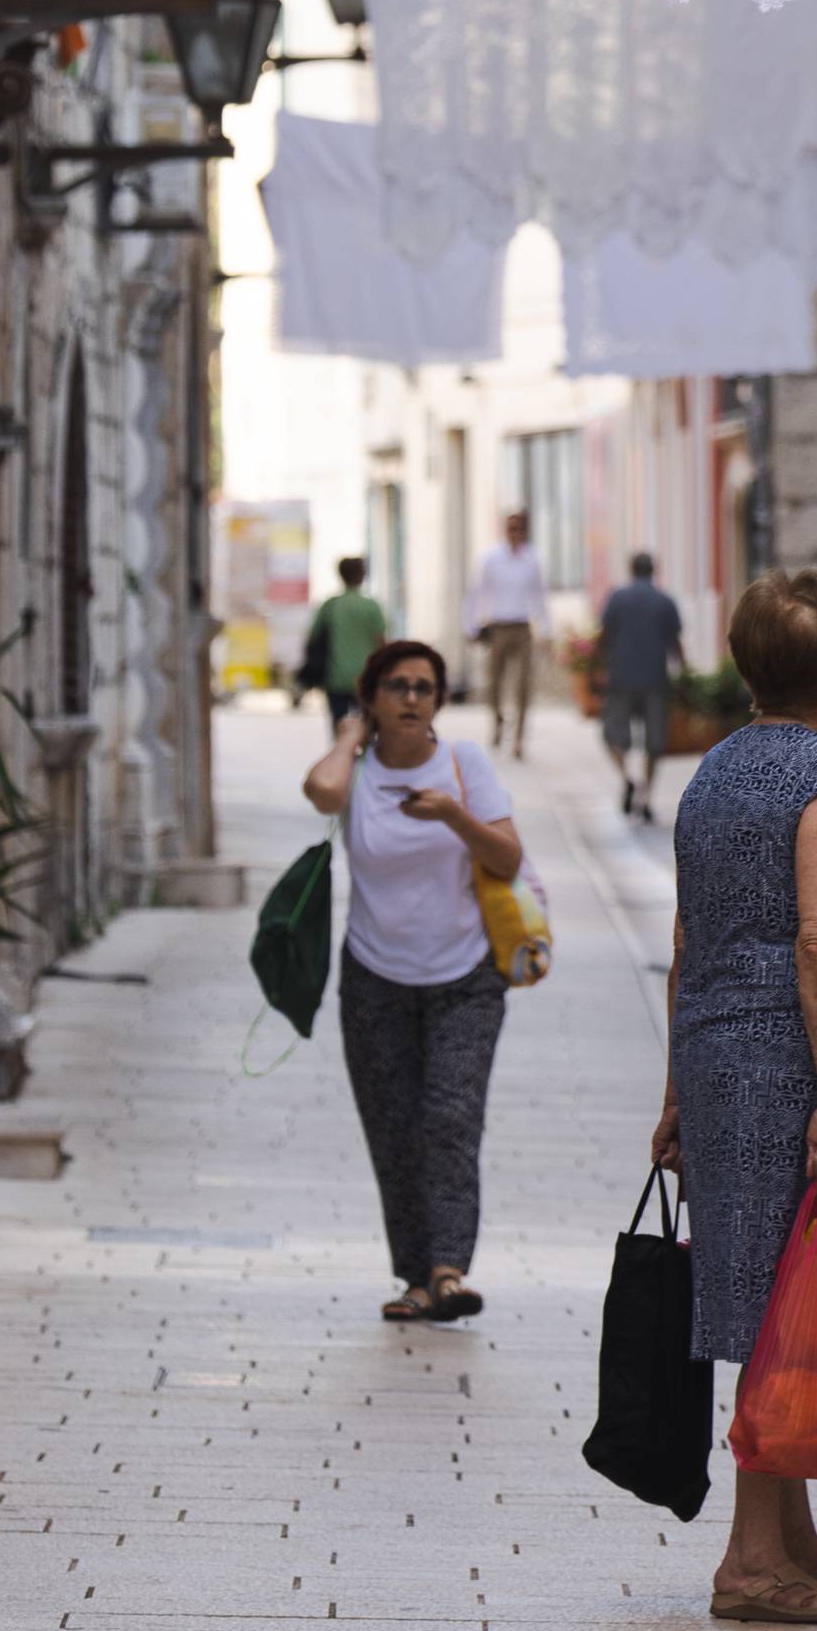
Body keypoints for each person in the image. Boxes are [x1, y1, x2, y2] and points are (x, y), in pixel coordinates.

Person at [653, 568, 817, 1626]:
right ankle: (751, 1560)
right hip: (791, 1069)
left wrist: (675, 1085)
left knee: (779, 1293)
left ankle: (794, 1541)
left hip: (721, 1056)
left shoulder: (710, 773)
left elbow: (686, 945)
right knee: (783, 1305)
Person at [303, 638, 522, 1326]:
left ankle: (449, 1271)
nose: (411, 698)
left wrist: (454, 815)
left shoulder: (464, 765)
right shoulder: (358, 772)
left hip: (465, 976)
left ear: (441, 701)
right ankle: (416, 1278)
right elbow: (321, 791)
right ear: (370, 698)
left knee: (450, 1120)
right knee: (394, 1128)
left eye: (425, 687)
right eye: (395, 686)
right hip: (374, 978)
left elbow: (509, 859)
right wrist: (347, 736)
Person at [595, 550, 684, 819]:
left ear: (631, 569)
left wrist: (596, 669)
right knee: (654, 742)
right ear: (653, 570)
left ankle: (627, 778)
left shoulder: (618, 598)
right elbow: (675, 643)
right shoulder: (665, 601)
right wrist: (685, 676)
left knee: (613, 735)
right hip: (655, 680)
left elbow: (604, 636)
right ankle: (645, 796)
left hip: (621, 677)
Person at [465, 505, 550, 757]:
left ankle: (520, 737)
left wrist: (547, 630)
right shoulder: (491, 558)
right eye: (511, 528)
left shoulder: (533, 558)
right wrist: (470, 624)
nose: (515, 533)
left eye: (519, 528)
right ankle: (498, 721)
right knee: (494, 681)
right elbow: (476, 591)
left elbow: (540, 595)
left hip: (522, 627)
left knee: (524, 683)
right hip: (498, 627)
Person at [303, 553, 386, 728]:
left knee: (339, 725)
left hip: (336, 676)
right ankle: (363, 754)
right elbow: (381, 642)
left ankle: (342, 753)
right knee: (367, 726)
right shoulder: (371, 606)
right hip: (366, 676)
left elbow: (312, 637)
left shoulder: (330, 605)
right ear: (362, 575)